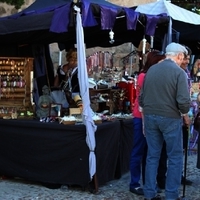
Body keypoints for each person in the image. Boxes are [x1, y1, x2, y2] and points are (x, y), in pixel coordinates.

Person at [139, 42, 191, 200]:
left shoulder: (152, 70)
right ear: (180, 55)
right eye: (183, 57)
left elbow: (141, 98)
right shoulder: (179, 72)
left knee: (152, 156)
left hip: (150, 116)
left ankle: (149, 193)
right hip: (170, 117)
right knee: (174, 157)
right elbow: (183, 101)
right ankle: (171, 195)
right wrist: (185, 114)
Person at [129, 50, 166, 195]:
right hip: (141, 117)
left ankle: (148, 182)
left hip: (151, 117)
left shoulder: (154, 75)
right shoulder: (144, 76)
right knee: (138, 151)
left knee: (149, 152)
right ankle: (135, 183)